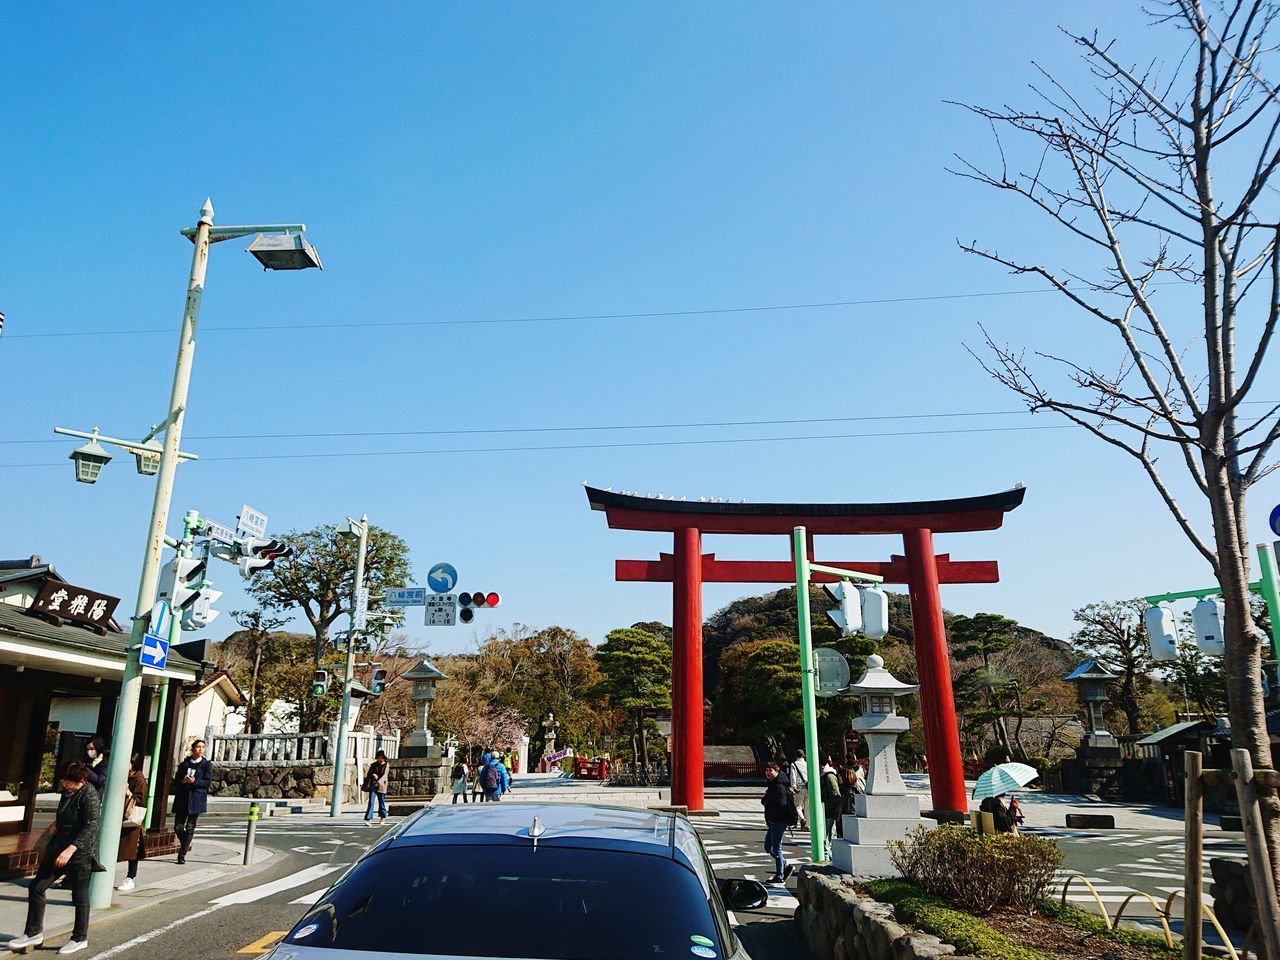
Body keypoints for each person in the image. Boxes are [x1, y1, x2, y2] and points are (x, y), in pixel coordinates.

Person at [7, 762, 101, 955]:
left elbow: (91, 826)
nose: (66, 786)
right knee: (37, 886)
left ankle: (79, 937)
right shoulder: (67, 792)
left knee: (79, 895)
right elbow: (65, 813)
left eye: (70, 783)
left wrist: (71, 850)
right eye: (64, 782)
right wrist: (56, 824)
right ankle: (33, 932)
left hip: (79, 853)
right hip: (59, 847)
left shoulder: (89, 795)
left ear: (81, 781)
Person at [171, 739, 212, 864]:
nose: (200, 749)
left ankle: (182, 854)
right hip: (183, 798)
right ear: (193, 749)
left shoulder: (206, 765)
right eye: (198, 747)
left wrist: (195, 781)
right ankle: (186, 842)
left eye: (202, 747)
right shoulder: (185, 764)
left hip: (196, 799)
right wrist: (183, 781)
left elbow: (207, 782)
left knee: (190, 827)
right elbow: (175, 781)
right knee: (178, 827)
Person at [761, 761, 796, 883]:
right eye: (767, 771)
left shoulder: (779, 786)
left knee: (776, 849)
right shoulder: (773, 784)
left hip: (779, 820)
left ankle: (780, 875)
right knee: (768, 847)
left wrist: (769, 803)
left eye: (771, 771)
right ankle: (785, 865)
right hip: (773, 820)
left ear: (777, 771)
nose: (768, 773)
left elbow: (781, 804)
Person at [117, 753, 148, 892]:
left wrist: (129, 792)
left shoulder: (139, 779)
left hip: (129, 817)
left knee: (132, 848)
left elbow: (141, 800)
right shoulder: (118, 775)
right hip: (117, 815)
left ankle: (130, 877)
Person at [819, 761, 842, 855]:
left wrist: (836, 807)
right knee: (826, 833)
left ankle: (828, 854)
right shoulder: (824, 775)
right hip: (826, 808)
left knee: (827, 834)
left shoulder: (829, 776)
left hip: (830, 809)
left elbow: (836, 793)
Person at [363, 750, 389, 825]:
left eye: (380, 758)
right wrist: (373, 774)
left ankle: (382, 817)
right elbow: (369, 774)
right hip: (373, 786)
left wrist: (379, 782)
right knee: (371, 802)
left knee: (381, 803)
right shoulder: (373, 765)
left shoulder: (386, 765)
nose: (379, 760)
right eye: (378, 758)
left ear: (383, 758)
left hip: (382, 786)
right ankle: (369, 819)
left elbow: (385, 775)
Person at [788, 750, 809, 830]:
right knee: (807, 807)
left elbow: (793, 776)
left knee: (798, 806)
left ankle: (802, 819)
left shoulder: (794, 764)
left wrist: (793, 786)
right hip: (808, 787)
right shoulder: (807, 764)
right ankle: (807, 825)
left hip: (799, 787)